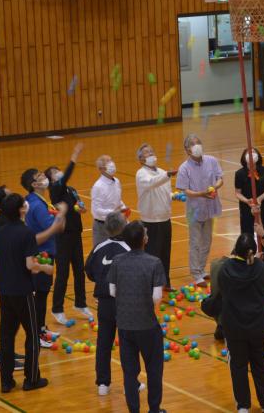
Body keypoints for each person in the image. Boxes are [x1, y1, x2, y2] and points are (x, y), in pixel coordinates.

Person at [0, 193, 52, 392]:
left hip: (4, 290)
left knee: (7, 335)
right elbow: (31, 265)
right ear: (21, 210)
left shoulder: (1, 231)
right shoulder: (26, 233)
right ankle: (32, 379)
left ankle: (6, 381)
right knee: (33, 333)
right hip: (23, 291)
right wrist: (46, 268)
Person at [108, 221, 167, 413]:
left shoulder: (117, 260)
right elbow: (157, 297)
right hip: (148, 326)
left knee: (130, 372)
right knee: (154, 371)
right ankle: (154, 409)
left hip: (125, 325)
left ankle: (134, 410)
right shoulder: (154, 262)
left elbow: (112, 291)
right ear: (144, 240)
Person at [219, 233, 264, 413]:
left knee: (238, 365)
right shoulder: (263, 269)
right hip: (258, 326)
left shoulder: (225, 269)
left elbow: (222, 295)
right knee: (261, 363)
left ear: (236, 250)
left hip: (234, 328)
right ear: (254, 250)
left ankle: (243, 405)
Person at [45, 143, 93, 324]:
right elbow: (64, 178)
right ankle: (57, 308)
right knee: (63, 273)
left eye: (58, 170)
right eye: (54, 173)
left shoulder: (70, 190)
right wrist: (74, 154)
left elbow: (79, 205)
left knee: (79, 270)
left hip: (76, 234)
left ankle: (80, 303)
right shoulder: (55, 190)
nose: (58, 173)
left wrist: (82, 208)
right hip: (62, 237)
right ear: (51, 180)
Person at [21, 168, 66, 347]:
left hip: (42, 252)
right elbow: (53, 227)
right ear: (34, 184)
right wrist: (62, 213)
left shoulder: (34, 200)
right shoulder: (38, 205)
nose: (43, 177)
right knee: (41, 294)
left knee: (42, 294)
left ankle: (41, 327)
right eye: (39, 176)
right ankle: (38, 334)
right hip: (42, 254)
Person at [85, 212, 129, 395]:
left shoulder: (99, 247)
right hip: (124, 303)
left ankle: (103, 383)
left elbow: (88, 270)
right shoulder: (128, 249)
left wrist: (102, 281)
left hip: (103, 301)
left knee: (104, 341)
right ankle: (132, 383)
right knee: (128, 344)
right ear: (124, 226)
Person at [175, 134, 223, 287]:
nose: (197, 146)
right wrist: (202, 194)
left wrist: (215, 187)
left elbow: (220, 178)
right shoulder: (184, 168)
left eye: (199, 143)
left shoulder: (211, 161)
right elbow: (185, 191)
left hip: (210, 206)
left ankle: (202, 269)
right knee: (195, 241)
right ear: (187, 150)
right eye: (193, 144)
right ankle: (196, 274)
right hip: (193, 209)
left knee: (207, 240)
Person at [0, 185, 26, 373]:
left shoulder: (6, 219)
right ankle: (2, 356)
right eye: (9, 193)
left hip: (11, 277)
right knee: (10, 321)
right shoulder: (3, 224)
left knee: (14, 320)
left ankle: (7, 353)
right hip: (11, 279)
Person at [135, 143, 176, 289]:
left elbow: (164, 191)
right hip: (151, 221)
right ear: (141, 159)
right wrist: (167, 175)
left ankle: (165, 282)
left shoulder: (162, 171)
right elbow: (152, 184)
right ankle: (152, 285)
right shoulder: (141, 174)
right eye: (147, 153)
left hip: (165, 218)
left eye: (152, 151)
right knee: (153, 254)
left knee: (165, 253)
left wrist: (173, 196)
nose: (151, 154)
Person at [91, 154, 129, 248]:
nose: (111, 163)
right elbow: (96, 211)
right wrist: (115, 213)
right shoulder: (98, 186)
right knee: (102, 254)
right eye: (107, 162)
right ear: (101, 169)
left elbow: (118, 200)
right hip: (102, 227)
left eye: (111, 160)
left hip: (117, 224)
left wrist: (124, 208)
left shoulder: (117, 181)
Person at [234, 147, 264, 238]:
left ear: (257, 156)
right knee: (247, 234)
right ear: (244, 157)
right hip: (246, 208)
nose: (251, 154)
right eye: (248, 153)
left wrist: (259, 199)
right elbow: (237, 193)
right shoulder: (239, 173)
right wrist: (247, 201)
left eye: (254, 152)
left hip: (262, 206)